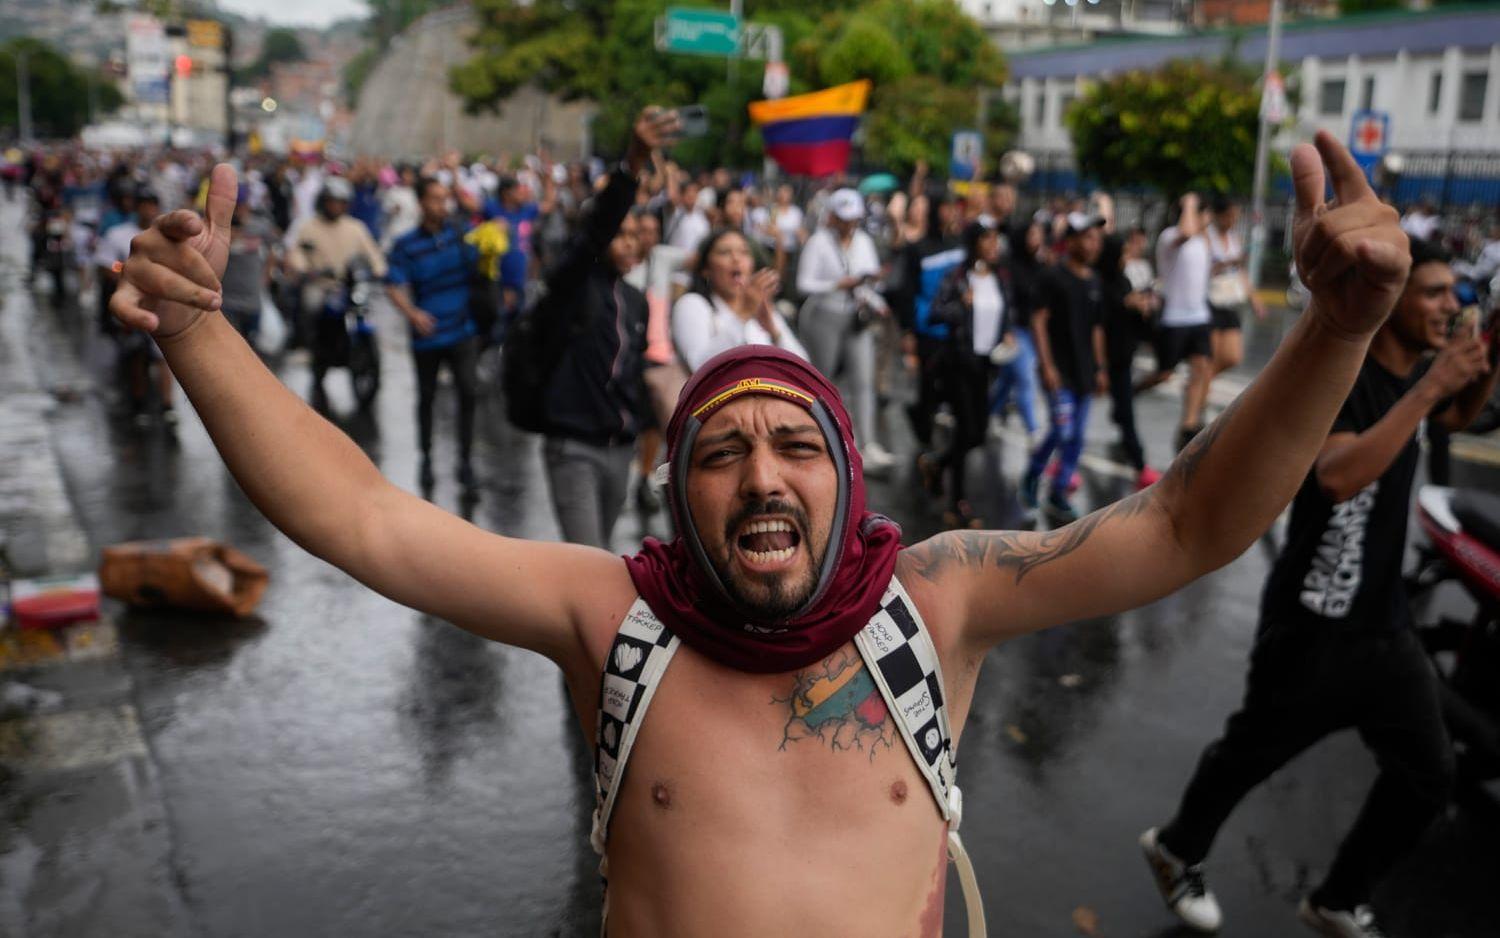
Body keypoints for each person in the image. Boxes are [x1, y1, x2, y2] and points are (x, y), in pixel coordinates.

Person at [113, 130, 1411, 937]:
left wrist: (1339, 329)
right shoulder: (608, 614)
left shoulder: (942, 599)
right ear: (681, 495)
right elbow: (362, 515)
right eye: (720, 454)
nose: (762, 475)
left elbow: (1188, 520)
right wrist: (197, 329)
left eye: (798, 446)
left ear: (848, 475)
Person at [1140, 236, 1498, 938]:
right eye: (1430, 293)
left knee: (1429, 775)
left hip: (1384, 627)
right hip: (1310, 628)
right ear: (1391, 302)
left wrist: (1484, 350)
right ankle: (1176, 847)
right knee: (1250, 755)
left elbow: (1457, 415)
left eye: (1451, 294)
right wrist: (1432, 386)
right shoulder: (1343, 377)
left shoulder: (1420, 374)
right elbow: (1337, 476)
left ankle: (1337, 898)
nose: (1446, 305)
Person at [385, 178, 483, 497]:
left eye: (446, 199)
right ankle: (426, 458)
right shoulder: (406, 244)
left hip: (463, 330)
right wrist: (412, 313)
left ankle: (465, 463)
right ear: (422, 203)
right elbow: (391, 284)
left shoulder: (460, 234)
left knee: (468, 392)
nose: (443, 205)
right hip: (427, 335)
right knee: (426, 398)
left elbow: (483, 266)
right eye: (436, 199)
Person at [924, 220, 1018, 528]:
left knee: (977, 433)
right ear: (975, 243)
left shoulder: (1001, 278)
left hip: (986, 365)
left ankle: (938, 464)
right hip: (959, 363)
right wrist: (960, 307)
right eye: (987, 239)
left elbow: (1004, 313)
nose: (994, 244)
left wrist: (1006, 334)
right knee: (966, 429)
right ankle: (958, 502)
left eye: (996, 238)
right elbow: (936, 312)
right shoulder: (959, 277)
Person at [796, 188, 893, 472]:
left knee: (863, 380)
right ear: (833, 217)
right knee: (822, 380)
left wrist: (875, 297)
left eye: (853, 218)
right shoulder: (818, 242)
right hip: (824, 316)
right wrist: (837, 284)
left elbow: (870, 280)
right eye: (844, 218)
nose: (850, 224)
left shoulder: (863, 241)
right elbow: (804, 284)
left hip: (855, 315)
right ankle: (820, 439)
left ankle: (867, 443)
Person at [1021, 212, 1109, 522]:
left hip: (1084, 372)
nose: (1094, 244)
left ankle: (1058, 492)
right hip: (1059, 371)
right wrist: (1046, 366)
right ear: (1070, 241)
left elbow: (1097, 328)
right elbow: (1038, 321)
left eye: (1097, 238)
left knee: (1077, 437)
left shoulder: (1095, 281)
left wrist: (1100, 368)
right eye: (1087, 237)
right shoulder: (1052, 277)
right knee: (1062, 430)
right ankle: (1032, 476)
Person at [283, 176, 387, 408]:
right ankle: (310, 347)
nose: (336, 207)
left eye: (340, 202)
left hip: (350, 285)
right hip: (322, 285)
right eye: (332, 202)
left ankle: (360, 356)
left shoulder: (355, 227)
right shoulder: (309, 227)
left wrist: (379, 269)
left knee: (366, 309)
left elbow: (373, 253)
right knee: (312, 306)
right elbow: (297, 254)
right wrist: (305, 267)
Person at [94, 186, 178, 426]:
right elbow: (106, 264)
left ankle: (167, 405)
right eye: (144, 204)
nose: (149, 209)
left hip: (162, 306)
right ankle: (140, 403)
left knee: (164, 358)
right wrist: (127, 271)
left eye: (153, 204)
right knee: (136, 355)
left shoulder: (167, 237)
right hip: (133, 305)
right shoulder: (119, 234)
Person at [1137, 193, 1215, 451]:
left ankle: (1188, 426)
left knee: (1201, 368)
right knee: (1165, 373)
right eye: (1203, 213)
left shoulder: (1203, 241)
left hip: (1199, 317)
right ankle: (1132, 391)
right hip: (1175, 319)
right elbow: (1186, 231)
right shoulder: (1170, 236)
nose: (1208, 218)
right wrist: (1190, 203)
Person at [671, 228, 807, 372]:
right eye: (724, 252)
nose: (736, 258)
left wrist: (774, 332)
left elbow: (804, 367)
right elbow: (698, 368)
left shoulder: (761, 309)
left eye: (744, 252)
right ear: (706, 269)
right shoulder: (692, 304)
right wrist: (743, 314)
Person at [897, 187, 966, 453]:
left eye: (954, 208)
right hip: (927, 328)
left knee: (952, 385)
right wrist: (908, 332)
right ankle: (923, 433)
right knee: (928, 384)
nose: (951, 214)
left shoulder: (960, 245)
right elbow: (907, 291)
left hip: (955, 329)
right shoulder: (918, 249)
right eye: (946, 208)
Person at [1100, 229, 1162, 490]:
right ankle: (1139, 465)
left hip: (1122, 359)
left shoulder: (1123, 280)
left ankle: (1139, 465)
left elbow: (1134, 318)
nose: (1127, 257)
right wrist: (1125, 303)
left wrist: (1143, 309)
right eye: (1123, 252)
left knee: (1124, 412)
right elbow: (1101, 317)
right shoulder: (1101, 282)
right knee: (1075, 419)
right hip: (1104, 360)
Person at [987, 218, 1045, 442]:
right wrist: (1005, 329)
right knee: (1025, 379)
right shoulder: (1009, 267)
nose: (1036, 239)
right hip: (1016, 330)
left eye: (1038, 234)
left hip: (1034, 332)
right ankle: (1033, 429)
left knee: (1008, 380)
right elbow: (1006, 300)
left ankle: (990, 411)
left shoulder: (1040, 266)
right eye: (1032, 234)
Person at [1204, 197, 1267, 377]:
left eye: (1235, 217)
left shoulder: (1234, 238)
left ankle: (1201, 383)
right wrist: (1225, 264)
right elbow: (1200, 269)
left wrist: (1254, 298)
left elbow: (1240, 271)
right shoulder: (1207, 236)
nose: (1232, 221)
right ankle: (1200, 394)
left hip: (1229, 301)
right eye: (1229, 216)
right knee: (1211, 356)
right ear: (1218, 215)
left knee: (1232, 357)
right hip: (1211, 300)